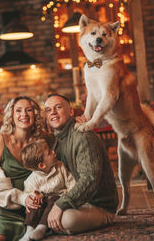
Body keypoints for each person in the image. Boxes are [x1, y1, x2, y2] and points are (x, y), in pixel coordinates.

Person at [0, 96, 46, 241]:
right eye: (18, 110)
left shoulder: (42, 140)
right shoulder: (1, 139)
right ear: (12, 115)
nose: (23, 114)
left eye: (28, 110)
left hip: (23, 206)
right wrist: (22, 198)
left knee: (26, 231)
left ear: (35, 114)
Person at [43, 93, 119, 234]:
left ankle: (49, 224)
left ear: (71, 111)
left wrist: (60, 204)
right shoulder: (56, 141)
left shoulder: (83, 135)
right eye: (48, 110)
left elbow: (90, 179)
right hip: (77, 201)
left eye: (58, 107)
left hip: (99, 205)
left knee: (66, 220)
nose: (53, 112)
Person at [14, 137, 75, 241]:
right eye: (49, 153)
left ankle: (41, 228)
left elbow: (70, 182)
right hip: (42, 204)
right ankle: (29, 230)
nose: (53, 152)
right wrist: (35, 195)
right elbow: (28, 193)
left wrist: (71, 196)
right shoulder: (32, 179)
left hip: (57, 201)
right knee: (34, 202)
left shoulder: (60, 166)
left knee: (54, 199)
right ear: (42, 165)